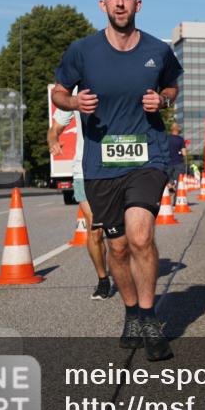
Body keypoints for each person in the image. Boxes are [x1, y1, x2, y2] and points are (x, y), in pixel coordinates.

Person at [52, 0, 182, 362]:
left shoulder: (158, 50)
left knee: (140, 236)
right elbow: (59, 91)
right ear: (103, 4)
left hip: (148, 155)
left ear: (138, 5)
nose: (120, 3)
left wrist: (163, 99)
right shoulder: (82, 51)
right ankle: (130, 312)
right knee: (118, 246)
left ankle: (149, 317)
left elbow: (173, 86)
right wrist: (74, 104)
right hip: (100, 163)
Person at [49, 101, 114, 300]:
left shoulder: (119, 84)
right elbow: (54, 129)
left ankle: (124, 269)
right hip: (83, 170)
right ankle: (103, 280)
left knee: (119, 231)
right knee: (95, 229)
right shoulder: (76, 96)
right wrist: (53, 141)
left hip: (117, 168)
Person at [166, 123, 187, 189]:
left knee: (167, 178)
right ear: (178, 130)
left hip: (168, 162)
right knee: (178, 181)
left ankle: (170, 184)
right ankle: (176, 196)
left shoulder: (167, 138)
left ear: (171, 129)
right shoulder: (181, 139)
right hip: (179, 163)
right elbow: (184, 153)